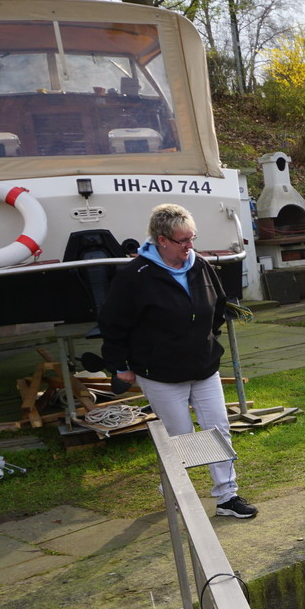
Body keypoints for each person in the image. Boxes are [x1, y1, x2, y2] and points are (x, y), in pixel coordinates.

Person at [100, 203, 258, 518]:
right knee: (183, 436)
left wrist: (205, 339)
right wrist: (121, 366)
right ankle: (174, 489)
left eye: (192, 239)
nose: (189, 246)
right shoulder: (134, 276)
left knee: (218, 429)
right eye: (182, 241)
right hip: (160, 373)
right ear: (162, 240)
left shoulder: (199, 265)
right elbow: (114, 324)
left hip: (203, 366)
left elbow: (217, 306)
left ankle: (227, 497)